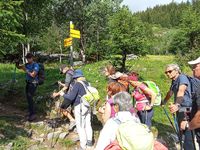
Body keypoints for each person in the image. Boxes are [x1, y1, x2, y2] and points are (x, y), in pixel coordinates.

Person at [53, 69, 93, 150]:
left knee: (80, 126)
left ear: (76, 77)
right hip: (88, 106)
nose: (74, 79)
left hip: (80, 106)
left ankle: (83, 146)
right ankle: (89, 143)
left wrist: (62, 94)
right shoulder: (88, 83)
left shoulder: (78, 84)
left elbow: (71, 97)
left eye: (75, 78)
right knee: (88, 124)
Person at [163, 64, 195, 150]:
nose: (168, 74)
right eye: (166, 72)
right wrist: (163, 102)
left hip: (187, 108)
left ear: (176, 71)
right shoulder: (174, 81)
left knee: (187, 131)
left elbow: (181, 90)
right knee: (181, 131)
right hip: (180, 109)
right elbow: (170, 93)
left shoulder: (182, 77)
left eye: (170, 71)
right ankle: (183, 146)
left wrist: (177, 105)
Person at [180, 57, 200, 148]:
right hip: (188, 110)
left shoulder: (184, 80)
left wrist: (188, 125)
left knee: (189, 140)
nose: (193, 69)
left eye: (195, 66)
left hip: (188, 112)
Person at [16, 53, 39, 121]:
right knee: (28, 98)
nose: (28, 59)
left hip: (33, 83)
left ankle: (33, 114)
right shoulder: (27, 64)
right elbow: (19, 67)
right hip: (28, 83)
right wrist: (17, 63)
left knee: (30, 98)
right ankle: (30, 112)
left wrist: (26, 70)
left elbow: (33, 75)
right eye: (27, 58)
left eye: (29, 58)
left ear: (32, 58)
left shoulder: (36, 65)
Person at [52, 65, 76, 131]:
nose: (63, 73)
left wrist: (57, 94)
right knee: (74, 108)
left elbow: (66, 87)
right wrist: (61, 84)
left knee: (62, 107)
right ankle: (77, 122)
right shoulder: (73, 72)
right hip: (76, 93)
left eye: (62, 72)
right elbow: (68, 85)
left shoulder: (68, 74)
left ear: (64, 69)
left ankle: (73, 120)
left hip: (71, 94)